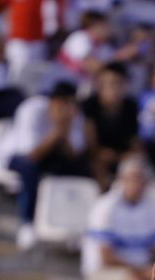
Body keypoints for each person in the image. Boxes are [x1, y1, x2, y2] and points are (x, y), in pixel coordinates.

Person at [82, 157, 155, 280]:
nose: (138, 184)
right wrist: (143, 271)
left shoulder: (150, 207)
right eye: (134, 178)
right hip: (103, 271)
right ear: (122, 179)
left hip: (139, 270)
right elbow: (106, 258)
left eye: (141, 179)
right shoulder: (105, 207)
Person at [8, 81, 91, 249]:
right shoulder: (31, 110)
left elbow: (74, 155)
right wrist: (57, 132)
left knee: (80, 169)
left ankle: (75, 225)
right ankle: (27, 223)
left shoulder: (75, 115)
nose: (67, 109)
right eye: (63, 104)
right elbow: (31, 155)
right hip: (17, 156)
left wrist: (64, 131)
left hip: (53, 156)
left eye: (71, 104)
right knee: (30, 170)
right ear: (52, 102)